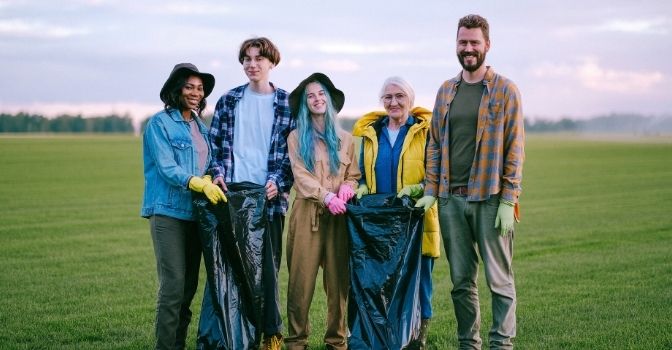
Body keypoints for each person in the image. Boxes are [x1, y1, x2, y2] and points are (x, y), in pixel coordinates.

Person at [416, 14, 524, 349]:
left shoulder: (505, 90)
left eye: (475, 42)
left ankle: (501, 344)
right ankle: (469, 344)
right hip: (451, 200)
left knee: (499, 281)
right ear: (456, 44)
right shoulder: (447, 90)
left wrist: (509, 199)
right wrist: (432, 191)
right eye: (463, 42)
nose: (468, 48)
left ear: (487, 45)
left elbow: (515, 147)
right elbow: (434, 143)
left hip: (490, 199)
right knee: (461, 282)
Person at [209, 36, 294, 350]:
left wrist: (279, 181)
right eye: (246, 58)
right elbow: (215, 149)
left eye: (259, 58)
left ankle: (270, 336)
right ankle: (237, 337)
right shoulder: (229, 100)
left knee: (267, 274)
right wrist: (218, 175)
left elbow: (293, 153)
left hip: (269, 201)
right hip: (232, 201)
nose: (252, 64)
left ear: (272, 62)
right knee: (233, 271)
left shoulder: (286, 102)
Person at [141, 63, 226, 350]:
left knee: (188, 288)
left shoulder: (200, 127)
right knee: (173, 287)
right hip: (167, 212)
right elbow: (166, 167)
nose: (195, 92)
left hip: (195, 214)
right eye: (189, 86)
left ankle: (178, 344)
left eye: (200, 88)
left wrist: (213, 178)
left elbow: (208, 163)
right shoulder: (159, 124)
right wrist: (198, 183)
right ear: (176, 89)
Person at [351, 76, 441, 349]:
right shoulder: (371, 135)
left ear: (410, 101)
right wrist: (363, 185)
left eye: (399, 96)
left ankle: (418, 335)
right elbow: (362, 173)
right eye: (388, 97)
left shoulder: (425, 132)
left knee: (420, 278)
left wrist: (419, 189)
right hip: (381, 224)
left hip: (416, 218)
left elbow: (439, 174)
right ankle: (387, 335)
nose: (394, 102)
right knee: (382, 280)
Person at [284, 72, 360, 350]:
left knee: (339, 284)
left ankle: (337, 342)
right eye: (310, 96)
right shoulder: (295, 137)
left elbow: (354, 174)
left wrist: (348, 188)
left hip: (339, 220)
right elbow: (300, 176)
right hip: (307, 215)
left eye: (321, 94)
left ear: (329, 99)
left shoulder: (346, 139)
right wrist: (326, 196)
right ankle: (296, 342)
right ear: (305, 104)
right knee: (300, 284)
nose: (317, 99)